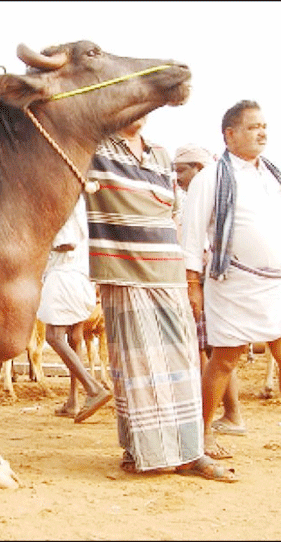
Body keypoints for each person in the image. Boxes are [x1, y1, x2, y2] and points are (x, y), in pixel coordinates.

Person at [85, 115, 237, 482]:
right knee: (139, 369)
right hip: (124, 273)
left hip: (168, 273)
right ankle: (143, 452)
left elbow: (172, 215)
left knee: (182, 365)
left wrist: (188, 275)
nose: (140, 111)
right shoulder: (93, 148)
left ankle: (190, 454)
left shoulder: (160, 155)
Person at [181, 100, 281, 460]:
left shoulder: (272, 173)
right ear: (230, 134)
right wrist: (192, 284)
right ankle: (203, 435)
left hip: (275, 284)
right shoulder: (211, 177)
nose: (263, 132)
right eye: (254, 126)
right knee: (225, 359)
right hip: (232, 282)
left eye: (264, 125)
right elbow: (192, 237)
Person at [173, 144, 245, 437]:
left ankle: (217, 420)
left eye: (181, 170)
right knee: (220, 352)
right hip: (209, 279)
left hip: (204, 281)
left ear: (199, 169)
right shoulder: (207, 195)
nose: (177, 178)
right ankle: (230, 415)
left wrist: (192, 283)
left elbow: (198, 247)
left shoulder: (202, 197)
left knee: (208, 351)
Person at [37, 195, 112, 422]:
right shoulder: (83, 202)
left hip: (65, 274)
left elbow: (66, 241)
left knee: (54, 336)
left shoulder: (66, 200)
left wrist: (38, 241)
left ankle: (92, 388)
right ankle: (73, 400)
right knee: (75, 337)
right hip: (80, 274)